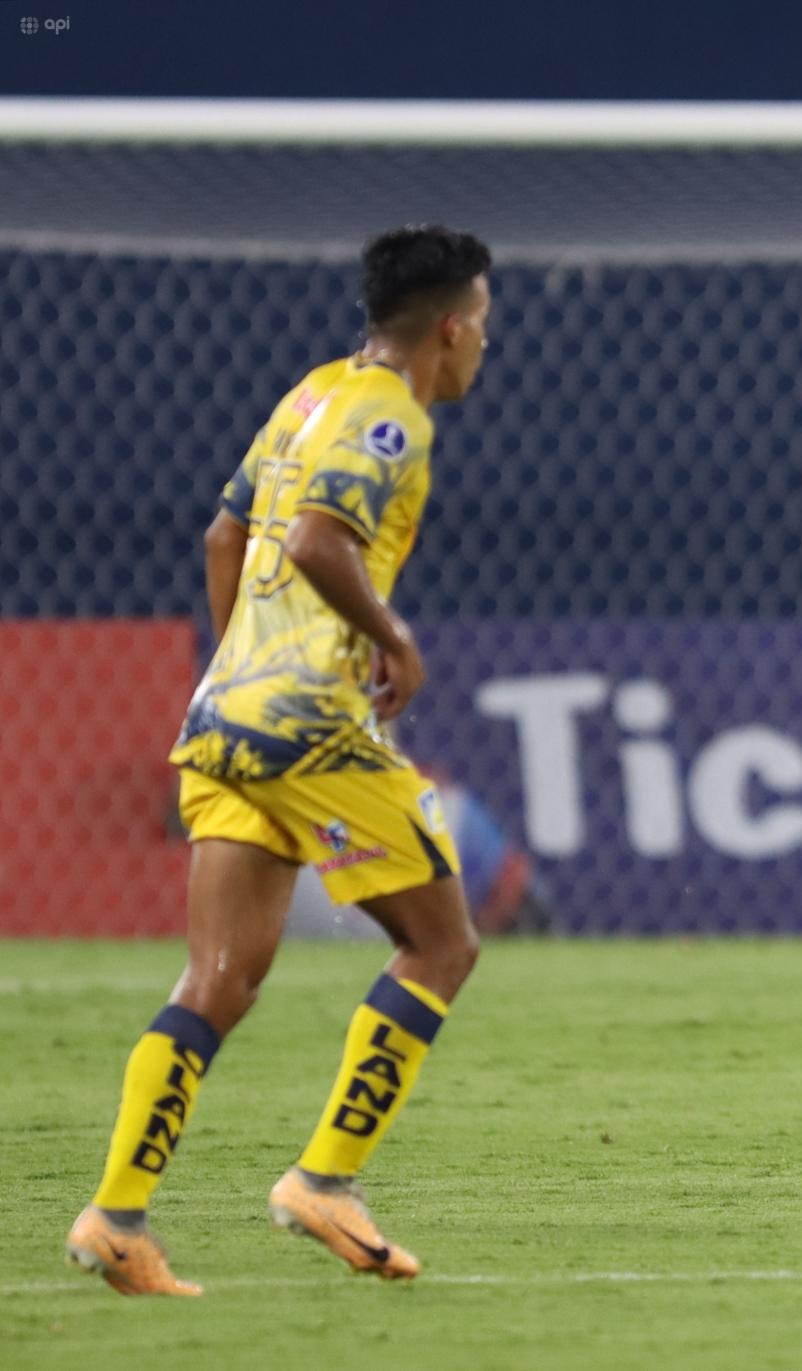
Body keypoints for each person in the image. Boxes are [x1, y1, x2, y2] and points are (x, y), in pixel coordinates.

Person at [65, 225, 494, 1295]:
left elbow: (227, 537)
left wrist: (238, 667)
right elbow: (312, 540)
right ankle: (324, 1180)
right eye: (481, 326)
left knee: (220, 978)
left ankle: (117, 1218)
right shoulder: (391, 417)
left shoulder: (311, 393)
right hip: (309, 719)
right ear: (449, 329)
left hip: (221, 714)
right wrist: (392, 638)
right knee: (441, 947)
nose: (483, 345)